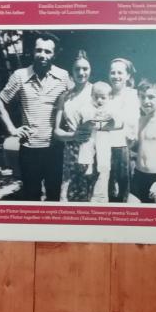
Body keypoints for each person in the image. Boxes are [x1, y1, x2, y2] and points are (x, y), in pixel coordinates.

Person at [0, 33, 72, 201]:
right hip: (29, 149)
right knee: (31, 196)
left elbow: (75, 100)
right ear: (32, 51)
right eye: (39, 50)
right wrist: (12, 129)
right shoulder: (20, 76)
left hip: (54, 148)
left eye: (48, 51)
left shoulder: (63, 76)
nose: (43, 55)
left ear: (54, 54)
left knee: (53, 196)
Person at [53, 51, 96, 201]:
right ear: (71, 71)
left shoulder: (97, 92)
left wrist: (92, 127)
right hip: (71, 152)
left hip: (94, 150)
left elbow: (110, 121)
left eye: (85, 68)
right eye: (77, 69)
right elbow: (56, 132)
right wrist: (73, 136)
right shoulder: (64, 97)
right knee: (70, 195)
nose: (81, 72)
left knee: (91, 195)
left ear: (90, 69)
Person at [105, 57, 140, 202]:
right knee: (109, 193)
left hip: (128, 151)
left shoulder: (135, 95)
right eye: (112, 72)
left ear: (128, 75)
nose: (116, 76)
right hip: (106, 149)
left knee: (126, 193)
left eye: (120, 73)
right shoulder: (104, 95)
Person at [74, 81, 114, 203]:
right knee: (87, 145)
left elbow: (114, 121)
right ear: (91, 96)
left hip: (103, 135)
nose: (99, 100)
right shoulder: (88, 106)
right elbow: (82, 115)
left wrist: (106, 117)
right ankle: (88, 164)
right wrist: (90, 117)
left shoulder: (110, 108)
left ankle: (103, 166)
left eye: (103, 98)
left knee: (104, 149)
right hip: (90, 134)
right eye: (96, 97)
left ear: (109, 97)